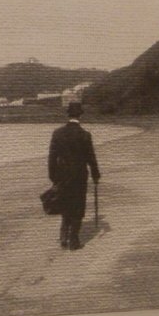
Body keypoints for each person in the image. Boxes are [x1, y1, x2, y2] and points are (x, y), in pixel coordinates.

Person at [47, 101, 100, 250]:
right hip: (79, 176)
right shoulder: (85, 135)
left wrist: (53, 177)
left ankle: (63, 236)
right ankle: (74, 240)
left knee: (65, 203)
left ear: (68, 115)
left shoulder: (57, 133)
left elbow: (52, 158)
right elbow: (91, 158)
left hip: (62, 175)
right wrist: (96, 175)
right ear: (80, 115)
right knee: (78, 205)